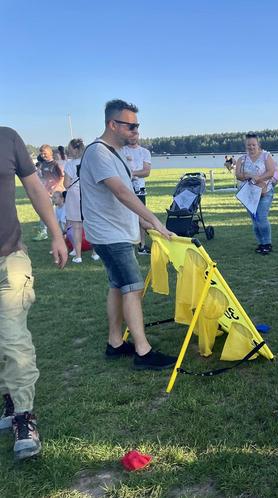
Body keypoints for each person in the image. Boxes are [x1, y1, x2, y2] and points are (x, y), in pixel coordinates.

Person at [80, 99, 176, 370]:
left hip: (117, 232)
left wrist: (141, 223)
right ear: (113, 124)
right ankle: (143, 352)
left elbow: (127, 193)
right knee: (133, 288)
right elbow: (121, 193)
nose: (136, 131)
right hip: (110, 235)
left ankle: (115, 343)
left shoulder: (116, 152)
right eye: (131, 126)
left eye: (138, 126)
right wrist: (154, 219)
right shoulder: (98, 153)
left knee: (117, 286)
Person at [0, 126, 68, 460]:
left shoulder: (7, 138)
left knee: (13, 338)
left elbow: (36, 191)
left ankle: (24, 416)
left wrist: (57, 234)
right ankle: (9, 397)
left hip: (8, 258)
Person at [235, 133, 278, 253]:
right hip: (249, 194)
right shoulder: (242, 159)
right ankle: (260, 243)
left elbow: (271, 171)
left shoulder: (266, 156)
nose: (251, 147)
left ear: (258, 144)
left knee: (261, 217)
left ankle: (267, 243)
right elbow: (238, 175)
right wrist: (248, 175)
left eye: (253, 144)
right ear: (246, 145)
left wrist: (258, 178)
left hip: (265, 192)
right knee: (255, 220)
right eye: (249, 145)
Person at [63, 138, 100, 263]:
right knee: (92, 225)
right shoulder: (90, 161)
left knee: (76, 228)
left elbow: (66, 184)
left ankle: (78, 256)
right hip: (88, 194)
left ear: (74, 149)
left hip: (74, 196)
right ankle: (95, 253)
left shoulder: (69, 164)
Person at [121, 138, 152, 255]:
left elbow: (146, 172)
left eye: (136, 134)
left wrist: (132, 173)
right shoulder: (121, 151)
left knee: (141, 218)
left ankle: (142, 245)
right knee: (125, 217)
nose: (133, 137)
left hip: (139, 189)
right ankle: (126, 244)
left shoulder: (144, 152)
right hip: (124, 189)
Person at [33, 144, 64, 241]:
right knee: (43, 211)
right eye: (41, 153)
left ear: (50, 152)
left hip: (57, 193)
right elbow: (43, 178)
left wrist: (55, 188)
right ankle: (44, 232)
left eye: (44, 153)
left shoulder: (56, 164)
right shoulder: (43, 165)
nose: (43, 155)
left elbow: (62, 177)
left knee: (59, 215)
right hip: (46, 192)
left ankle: (63, 234)